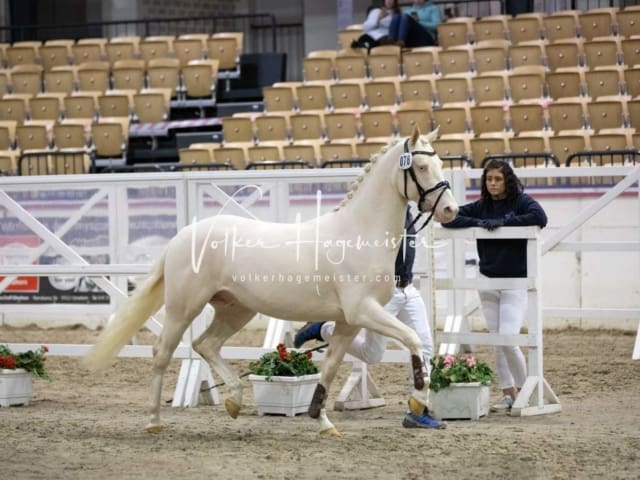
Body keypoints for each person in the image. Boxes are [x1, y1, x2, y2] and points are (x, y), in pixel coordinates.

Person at [294, 207, 445, 429]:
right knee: (372, 354)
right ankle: (324, 329)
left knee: (425, 348)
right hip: (385, 294)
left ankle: (417, 410)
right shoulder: (379, 213)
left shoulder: (408, 212)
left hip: (408, 288)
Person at [441, 159, 548, 412]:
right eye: (489, 179)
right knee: (497, 339)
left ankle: (525, 391)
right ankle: (508, 392)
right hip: (488, 280)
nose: (492, 184)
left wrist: (502, 223)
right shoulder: (481, 206)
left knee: (508, 338)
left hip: (515, 282)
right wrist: (478, 223)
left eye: (497, 179)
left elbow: (540, 217)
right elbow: (448, 219)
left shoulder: (521, 201)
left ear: (507, 180)